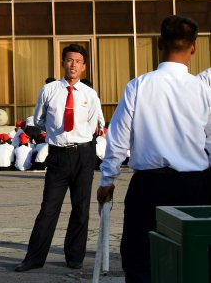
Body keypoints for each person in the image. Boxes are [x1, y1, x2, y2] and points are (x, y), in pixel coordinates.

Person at [97, 15, 211, 283]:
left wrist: (107, 180)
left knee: (140, 260)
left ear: (159, 43)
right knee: (194, 259)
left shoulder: (139, 85)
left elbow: (119, 138)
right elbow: (209, 140)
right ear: (193, 48)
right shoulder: (202, 90)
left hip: (150, 186)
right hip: (194, 186)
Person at [16, 43, 105, 272]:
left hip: (83, 154)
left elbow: (95, 124)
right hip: (57, 156)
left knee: (81, 208)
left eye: (78, 61)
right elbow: (38, 121)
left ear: (83, 67)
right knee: (48, 208)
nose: (73, 64)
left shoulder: (90, 94)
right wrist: (47, 134)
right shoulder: (49, 90)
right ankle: (33, 259)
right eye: (69, 60)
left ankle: (74, 257)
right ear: (63, 63)